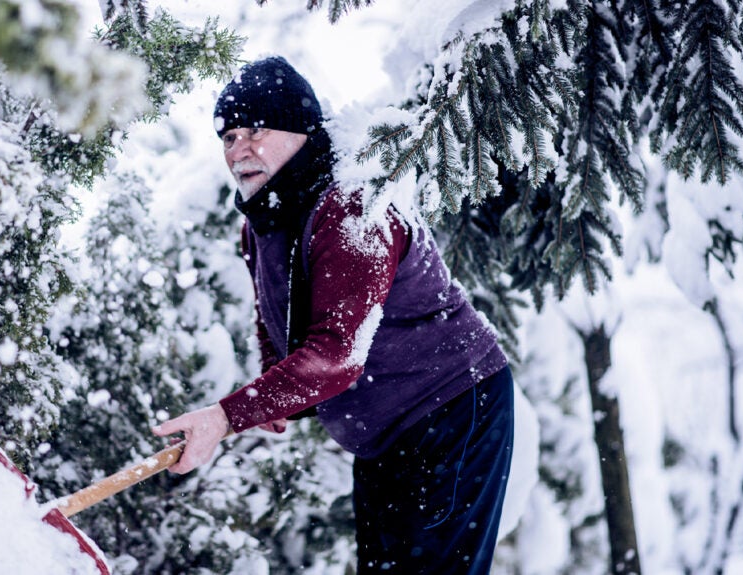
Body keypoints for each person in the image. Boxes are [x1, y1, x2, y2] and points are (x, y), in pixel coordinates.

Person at [153, 56, 514, 574]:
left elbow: (338, 354)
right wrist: (268, 395)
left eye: (257, 128)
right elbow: (274, 315)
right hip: (386, 433)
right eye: (228, 137)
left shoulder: (351, 206)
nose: (239, 149)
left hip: (451, 409)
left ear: (300, 131)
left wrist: (228, 413)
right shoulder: (263, 221)